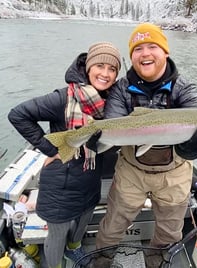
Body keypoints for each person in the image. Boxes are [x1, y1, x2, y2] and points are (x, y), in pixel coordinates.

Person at [92, 23, 197, 257]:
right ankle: (101, 261)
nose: (145, 53)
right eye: (138, 49)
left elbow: (193, 133)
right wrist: (98, 137)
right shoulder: (121, 88)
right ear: (132, 56)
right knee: (111, 228)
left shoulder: (185, 88)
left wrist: (194, 148)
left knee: (169, 236)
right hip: (131, 170)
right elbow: (113, 122)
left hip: (175, 174)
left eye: (152, 46)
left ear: (165, 52)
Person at [8, 42, 121, 268]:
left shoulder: (113, 103)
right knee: (58, 233)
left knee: (84, 220)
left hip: (90, 177)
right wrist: (52, 150)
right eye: (100, 66)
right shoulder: (63, 98)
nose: (105, 74)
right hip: (62, 183)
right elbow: (18, 115)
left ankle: (75, 249)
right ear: (88, 67)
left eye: (112, 69)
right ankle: (54, 264)